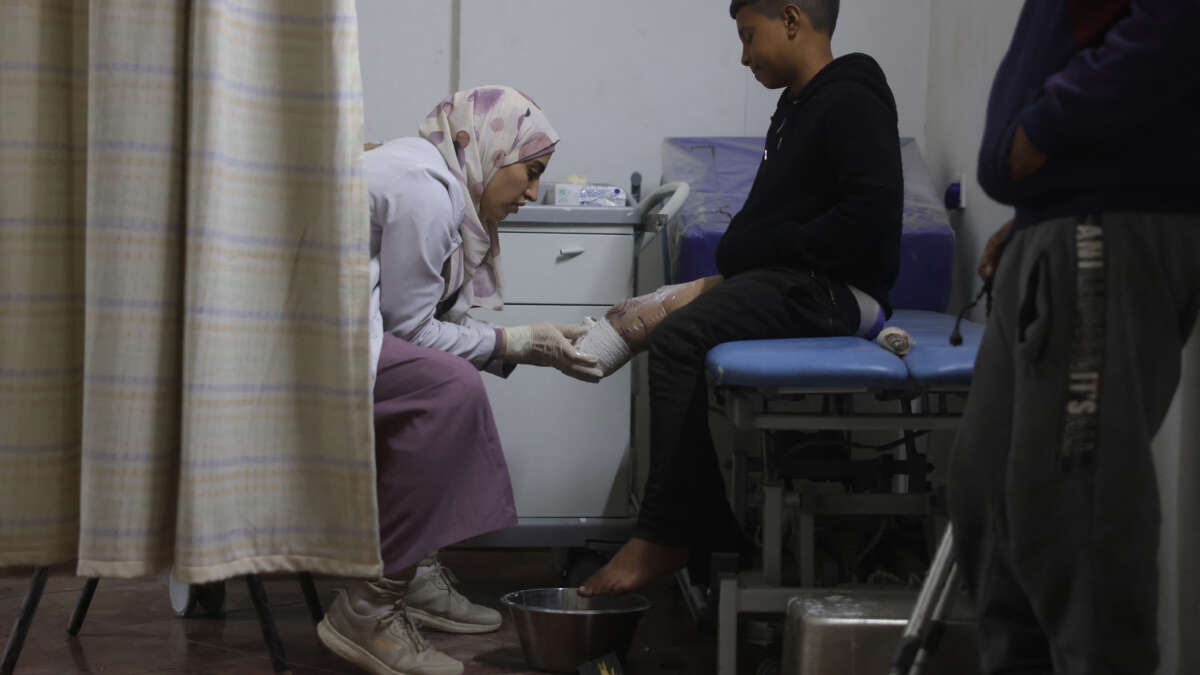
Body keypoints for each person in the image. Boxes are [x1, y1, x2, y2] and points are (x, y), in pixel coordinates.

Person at [580, 0, 904, 596]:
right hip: (795, 283)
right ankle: (711, 536)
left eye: (749, 37)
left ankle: (664, 534)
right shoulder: (793, 108)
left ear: (791, 19)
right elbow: (748, 235)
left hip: (838, 294)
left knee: (677, 337)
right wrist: (737, 261)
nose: (744, 55)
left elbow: (866, 225)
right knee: (669, 323)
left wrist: (755, 253)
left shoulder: (854, 99)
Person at [949, 2, 1200, 674]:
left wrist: (1047, 124)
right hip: (1055, 223)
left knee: (1075, 517)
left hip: (1108, 221)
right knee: (990, 499)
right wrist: (1035, 212)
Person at [317, 86, 602, 675]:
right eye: (529, 172)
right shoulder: (426, 192)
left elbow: (418, 320)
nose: (532, 192)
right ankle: (370, 606)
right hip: (300, 350)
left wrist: (520, 341)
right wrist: (517, 342)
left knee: (437, 384)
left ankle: (410, 570)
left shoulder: (432, 179)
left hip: (323, 338)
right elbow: (414, 332)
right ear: (492, 151)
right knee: (447, 389)